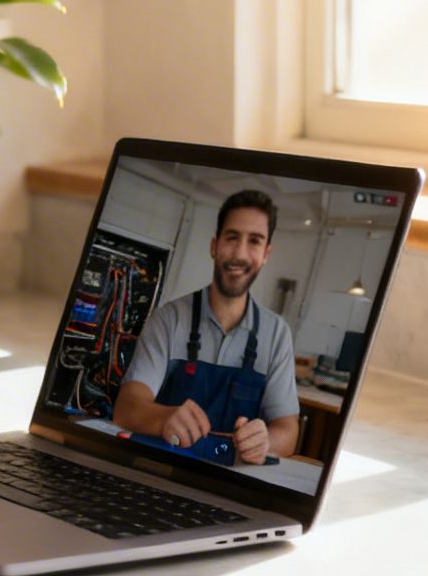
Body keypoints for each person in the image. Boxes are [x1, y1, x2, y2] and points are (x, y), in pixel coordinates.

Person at [111, 189, 301, 465]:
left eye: (254, 242)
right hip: (160, 471)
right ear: (214, 245)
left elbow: (288, 430)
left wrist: (265, 441)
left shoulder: (277, 334)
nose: (239, 253)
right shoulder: (168, 319)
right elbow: (127, 408)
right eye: (232, 237)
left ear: (265, 254)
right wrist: (164, 417)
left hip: (231, 484)